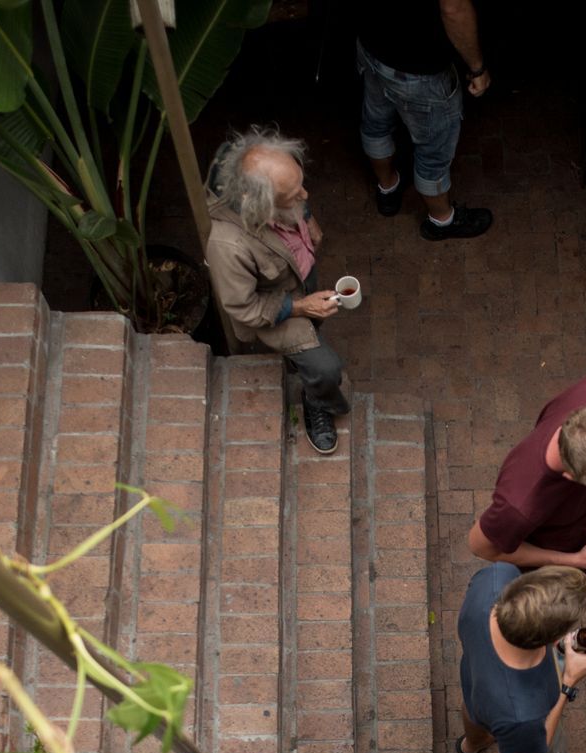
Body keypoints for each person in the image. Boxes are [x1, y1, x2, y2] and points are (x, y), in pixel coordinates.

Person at [204, 128, 351, 455]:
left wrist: (307, 217)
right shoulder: (228, 246)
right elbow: (243, 308)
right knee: (326, 369)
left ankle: (306, 347)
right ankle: (316, 399)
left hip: (302, 278)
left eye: (300, 184)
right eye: (292, 195)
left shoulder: (267, 169)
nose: (304, 194)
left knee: (316, 329)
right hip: (278, 305)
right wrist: (301, 308)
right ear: (259, 206)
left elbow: (296, 192)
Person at [455, 564, 586, 753]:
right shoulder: (521, 714)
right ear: (553, 636)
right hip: (507, 710)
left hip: (475, 682)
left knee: (475, 712)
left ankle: (472, 744)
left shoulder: (496, 577)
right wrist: (568, 683)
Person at [469, 372, 586, 586]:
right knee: (579, 591)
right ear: (570, 476)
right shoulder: (519, 505)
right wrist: (578, 560)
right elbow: (480, 546)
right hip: (559, 543)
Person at [357, 0, 496, 241]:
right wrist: (477, 68)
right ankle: (442, 220)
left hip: (372, 45)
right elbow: (453, 8)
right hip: (421, 68)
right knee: (434, 151)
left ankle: (387, 188)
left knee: (376, 122)